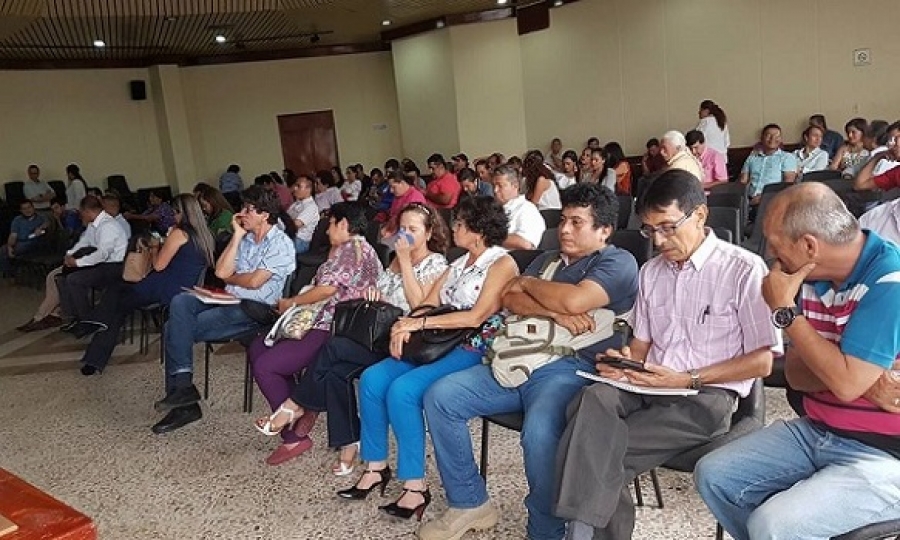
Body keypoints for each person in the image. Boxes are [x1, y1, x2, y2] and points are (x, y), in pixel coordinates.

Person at [555, 170, 779, 540]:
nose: (658, 240)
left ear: (700, 215)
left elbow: (762, 361)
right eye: (649, 230)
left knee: (597, 450)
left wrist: (687, 378)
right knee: (592, 398)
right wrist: (623, 361)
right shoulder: (651, 273)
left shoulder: (743, 269)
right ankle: (583, 530)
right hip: (648, 382)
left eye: (668, 227)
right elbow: (641, 346)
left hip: (703, 395)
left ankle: (579, 532)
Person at [420, 183, 640, 540]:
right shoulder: (547, 259)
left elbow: (575, 301)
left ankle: (545, 530)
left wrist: (531, 286)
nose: (564, 229)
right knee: (441, 397)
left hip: (572, 367)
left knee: (539, 432)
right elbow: (509, 298)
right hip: (518, 357)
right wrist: (550, 308)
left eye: (577, 222)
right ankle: (469, 501)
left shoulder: (617, 262)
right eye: (563, 220)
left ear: (604, 230)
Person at [694, 182, 900, 540]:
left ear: (809, 246)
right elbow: (797, 374)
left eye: (775, 244)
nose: (771, 256)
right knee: (715, 475)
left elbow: (846, 384)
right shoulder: (806, 278)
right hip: (819, 430)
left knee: (773, 525)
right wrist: (849, 371)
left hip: (884, 454)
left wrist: (787, 314)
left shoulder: (889, 281)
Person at [337, 197, 517, 523]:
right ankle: (376, 466)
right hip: (437, 342)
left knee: (403, 390)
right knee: (373, 379)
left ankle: (415, 486)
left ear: (478, 230)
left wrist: (417, 324)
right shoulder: (457, 264)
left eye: (460, 223)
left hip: (471, 347)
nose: (454, 228)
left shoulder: (501, 263)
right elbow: (427, 304)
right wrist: (403, 326)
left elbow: (476, 317)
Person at [252, 203, 449, 472]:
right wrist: (376, 295)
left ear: (428, 233)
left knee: (333, 347)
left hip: (405, 342)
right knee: (335, 371)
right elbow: (384, 295)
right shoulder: (393, 260)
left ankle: (296, 405)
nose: (405, 235)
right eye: (402, 228)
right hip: (378, 333)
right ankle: (347, 440)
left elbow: (420, 308)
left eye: (413, 230)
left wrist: (405, 261)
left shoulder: (435, 263)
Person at [150, 186, 295, 434]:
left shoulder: (280, 244)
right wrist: (237, 236)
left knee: (173, 327)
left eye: (249, 209)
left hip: (255, 310)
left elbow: (254, 282)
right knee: (181, 302)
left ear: (265, 215)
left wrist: (233, 278)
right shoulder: (246, 240)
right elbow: (220, 272)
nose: (242, 213)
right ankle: (183, 388)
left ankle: (184, 399)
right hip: (231, 299)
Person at [249, 203, 381, 465]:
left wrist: (292, 302)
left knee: (266, 365)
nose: (327, 230)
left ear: (344, 224)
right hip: (316, 320)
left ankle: (293, 430)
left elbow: (326, 290)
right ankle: (304, 407)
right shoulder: (347, 249)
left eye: (331, 223)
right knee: (258, 347)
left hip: (332, 327)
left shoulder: (352, 249)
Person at [76, 194, 214, 374]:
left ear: (182, 212)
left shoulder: (179, 234)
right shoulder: (204, 236)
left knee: (116, 300)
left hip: (166, 288)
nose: (173, 216)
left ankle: (94, 340)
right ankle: (95, 326)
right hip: (184, 288)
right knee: (116, 297)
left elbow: (158, 266)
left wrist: (156, 247)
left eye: (175, 212)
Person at [57, 196, 130, 328]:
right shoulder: (94, 224)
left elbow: (102, 254)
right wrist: (70, 254)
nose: (81, 216)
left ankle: (87, 320)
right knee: (63, 277)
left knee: (75, 280)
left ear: (87, 211)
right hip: (103, 265)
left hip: (115, 267)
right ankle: (73, 317)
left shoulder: (108, 226)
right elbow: (85, 241)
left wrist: (78, 263)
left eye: (81, 213)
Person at [740, 124, 798, 212]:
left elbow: (787, 184)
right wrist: (744, 199)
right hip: (749, 200)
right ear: (762, 138)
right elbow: (743, 181)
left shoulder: (787, 157)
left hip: (773, 199)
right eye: (768, 135)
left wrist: (763, 198)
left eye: (777, 136)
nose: (772, 138)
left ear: (781, 139)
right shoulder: (752, 158)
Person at [491, 165, 546, 250]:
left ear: (515, 186)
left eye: (500, 186)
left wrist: (490, 237)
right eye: (493, 185)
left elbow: (525, 243)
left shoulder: (527, 210)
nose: (495, 190)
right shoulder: (493, 209)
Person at [0, 200, 46, 277]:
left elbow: (46, 228)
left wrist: (41, 229)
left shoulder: (40, 219)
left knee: (18, 249)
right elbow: (13, 235)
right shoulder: (17, 220)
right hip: (19, 242)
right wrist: (9, 247)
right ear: (21, 211)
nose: (27, 210)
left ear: (33, 207)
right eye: (24, 209)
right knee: (3, 250)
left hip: (35, 242)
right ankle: (9, 274)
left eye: (29, 207)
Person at [381, 169, 428, 237]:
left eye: (393, 187)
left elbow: (410, 226)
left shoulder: (415, 198)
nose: (391, 191)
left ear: (402, 183)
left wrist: (390, 233)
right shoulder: (398, 196)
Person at [286, 175, 319, 254]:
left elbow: (296, 224)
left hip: (300, 241)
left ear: (308, 189)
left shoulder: (311, 206)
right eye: (295, 185)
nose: (295, 188)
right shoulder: (296, 204)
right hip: (290, 236)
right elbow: (286, 217)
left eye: (298, 186)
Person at [62, 164, 88, 232]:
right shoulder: (75, 183)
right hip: (72, 210)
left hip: (74, 211)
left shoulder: (76, 183)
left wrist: (76, 209)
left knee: (72, 231)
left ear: (70, 173)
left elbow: (78, 198)